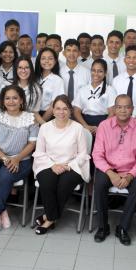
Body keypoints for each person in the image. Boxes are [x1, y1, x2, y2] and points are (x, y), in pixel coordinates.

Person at [0, 85, 38, 234]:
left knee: (5, 177)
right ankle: (2, 210)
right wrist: (3, 157)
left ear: (21, 100)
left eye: (15, 98)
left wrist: (16, 158)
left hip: (21, 159)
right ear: (3, 101)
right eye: (8, 98)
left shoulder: (31, 118)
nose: (11, 101)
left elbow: (32, 143)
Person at [92, 94, 136, 245]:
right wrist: (111, 173)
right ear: (114, 109)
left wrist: (130, 176)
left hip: (131, 169)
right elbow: (97, 155)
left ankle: (123, 227)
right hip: (108, 168)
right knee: (98, 184)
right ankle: (103, 226)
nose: (123, 110)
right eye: (119, 107)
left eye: (127, 107)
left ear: (132, 109)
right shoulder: (104, 126)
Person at [32, 95, 90, 234]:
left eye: (65, 109)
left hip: (72, 165)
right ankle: (52, 217)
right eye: (58, 108)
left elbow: (83, 154)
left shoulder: (78, 128)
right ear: (52, 110)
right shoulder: (45, 128)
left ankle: (48, 218)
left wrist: (68, 165)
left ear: (70, 110)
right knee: (47, 183)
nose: (61, 112)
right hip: (47, 164)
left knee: (63, 185)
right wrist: (53, 165)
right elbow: (39, 152)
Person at [73, 59, 117, 133]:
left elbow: (112, 113)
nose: (96, 74)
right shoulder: (82, 90)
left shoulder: (110, 90)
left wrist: (101, 128)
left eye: (100, 71)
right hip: (84, 124)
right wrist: (85, 126)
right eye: (93, 70)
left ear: (105, 73)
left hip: (104, 124)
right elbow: (76, 111)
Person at [34, 47, 65, 121]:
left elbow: (54, 105)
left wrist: (41, 122)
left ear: (55, 61)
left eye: (50, 58)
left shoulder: (58, 80)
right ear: (39, 61)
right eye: (43, 58)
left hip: (48, 117)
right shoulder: (33, 78)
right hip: (32, 115)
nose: (47, 61)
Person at [59, 39, 90, 103]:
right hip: (62, 110)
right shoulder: (58, 72)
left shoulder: (87, 73)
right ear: (64, 53)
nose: (71, 53)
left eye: (74, 51)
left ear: (79, 53)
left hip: (82, 109)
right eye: (68, 50)